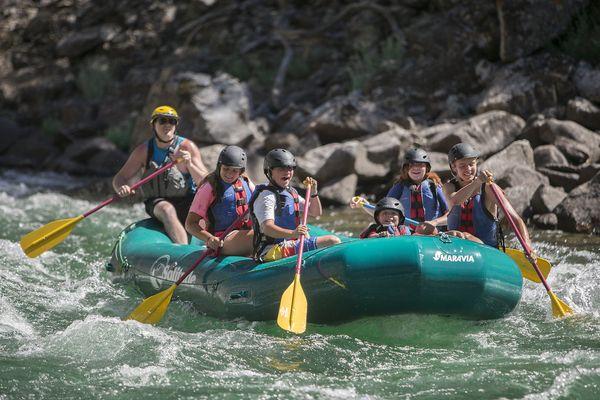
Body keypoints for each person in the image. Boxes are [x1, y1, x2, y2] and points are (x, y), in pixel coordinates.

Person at [113, 105, 208, 244]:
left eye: (172, 121)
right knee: (167, 210)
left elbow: (206, 182)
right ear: (154, 124)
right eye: (162, 121)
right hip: (157, 201)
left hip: (187, 200)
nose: (167, 125)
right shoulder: (144, 151)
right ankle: (183, 252)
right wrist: (121, 187)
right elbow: (120, 178)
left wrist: (189, 165)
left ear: (176, 125)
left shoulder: (187, 147)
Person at [443, 143, 536, 262]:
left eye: (471, 164)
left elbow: (515, 219)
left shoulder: (489, 188)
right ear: (453, 167)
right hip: (455, 249)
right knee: (451, 235)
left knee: (463, 236)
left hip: (485, 251)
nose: (468, 169)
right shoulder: (449, 187)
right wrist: (477, 182)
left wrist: (527, 246)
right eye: (462, 166)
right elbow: (454, 201)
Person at [249, 148, 341, 262]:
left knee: (330, 241)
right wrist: (293, 233)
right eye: (281, 168)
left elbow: (315, 212)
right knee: (332, 241)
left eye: (290, 168)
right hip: (271, 251)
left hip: (291, 243)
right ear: (269, 171)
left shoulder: (291, 192)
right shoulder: (266, 197)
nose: (287, 172)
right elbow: (267, 228)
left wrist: (313, 192)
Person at [350, 147, 448, 235]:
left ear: (427, 168)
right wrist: (364, 203)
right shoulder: (400, 187)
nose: (416, 168)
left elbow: (449, 215)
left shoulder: (434, 186)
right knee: (373, 228)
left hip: (433, 233)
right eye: (411, 165)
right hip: (407, 233)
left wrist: (434, 223)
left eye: (421, 165)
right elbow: (381, 212)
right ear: (405, 168)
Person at [185, 145, 254, 256]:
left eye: (234, 171)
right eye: (225, 168)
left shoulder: (246, 182)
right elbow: (190, 224)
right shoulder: (209, 187)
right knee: (258, 237)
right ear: (219, 166)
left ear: (241, 171)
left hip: (243, 234)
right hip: (222, 240)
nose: (229, 174)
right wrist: (209, 238)